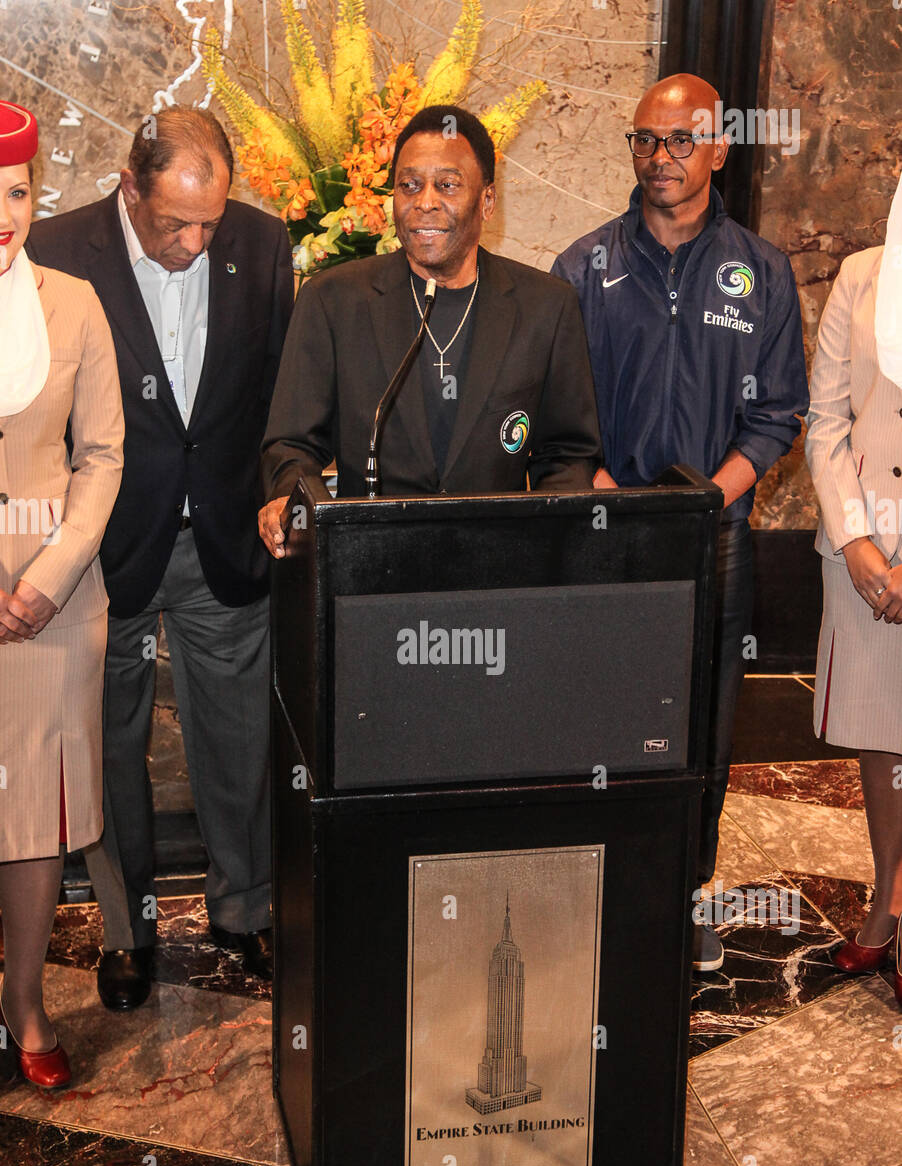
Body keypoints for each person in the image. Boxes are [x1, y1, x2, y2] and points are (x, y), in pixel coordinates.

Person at [27, 107, 295, 1009]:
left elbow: (275, 398)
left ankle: (243, 911)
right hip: (101, 547)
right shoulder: (58, 251)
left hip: (224, 538)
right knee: (109, 747)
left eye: (208, 222)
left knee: (239, 740)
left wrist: (277, 491)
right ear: (130, 186)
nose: (193, 241)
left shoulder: (262, 246)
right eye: (172, 221)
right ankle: (127, 928)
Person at [552, 74, 809, 972]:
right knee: (599, 718)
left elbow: (778, 413)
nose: (660, 159)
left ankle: (685, 893)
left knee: (703, 728)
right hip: (607, 534)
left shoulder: (763, 271)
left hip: (716, 541)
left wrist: (710, 501)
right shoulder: (583, 266)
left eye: (680, 141)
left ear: (719, 147)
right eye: (645, 141)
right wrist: (619, 497)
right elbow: (558, 413)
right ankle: (601, 894)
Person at [258, 103, 599, 536]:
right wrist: (294, 502)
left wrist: (546, 536)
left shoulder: (546, 307)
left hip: (496, 569)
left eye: (447, 185)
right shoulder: (333, 300)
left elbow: (568, 452)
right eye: (409, 185)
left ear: (487, 201)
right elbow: (293, 443)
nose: (425, 203)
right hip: (368, 568)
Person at [0, 101, 124, 1086]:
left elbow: (103, 455)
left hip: (53, 607)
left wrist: (46, 576)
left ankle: (28, 997)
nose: (4, 211)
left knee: (35, 813)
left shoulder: (76, 302)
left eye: (17, 191)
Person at [806, 172, 902, 1003]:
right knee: (882, 738)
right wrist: (858, 541)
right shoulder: (863, 274)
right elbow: (825, 419)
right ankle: (886, 899)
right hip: (864, 556)